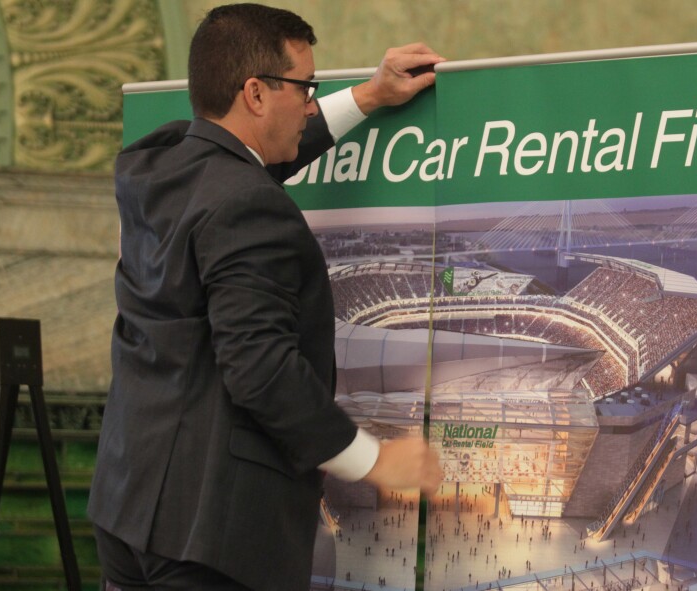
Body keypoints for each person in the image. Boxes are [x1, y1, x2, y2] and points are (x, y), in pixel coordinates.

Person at [87, 4, 444, 590]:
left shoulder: (156, 165)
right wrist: (375, 460)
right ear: (255, 93)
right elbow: (259, 365)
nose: (310, 104)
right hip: (212, 537)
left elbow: (240, 164)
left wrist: (370, 96)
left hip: (130, 510)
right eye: (305, 87)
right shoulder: (246, 204)